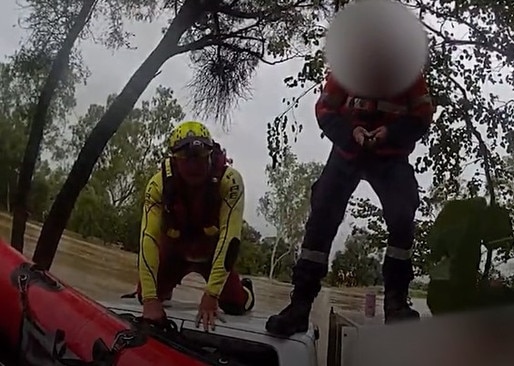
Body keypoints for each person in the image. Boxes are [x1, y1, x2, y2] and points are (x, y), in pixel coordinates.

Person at [265, 71, 435, 336]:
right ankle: (299, 306)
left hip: (391, 156)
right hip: (347, 152)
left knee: (403, 215)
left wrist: (388, 134)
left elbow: (422, 117)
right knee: (322, 216)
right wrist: (350, 133)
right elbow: (324, 109)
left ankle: (396, 305)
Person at [132, 120, 255, 331]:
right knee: (144, 295)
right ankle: (164, 289)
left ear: (210, 154)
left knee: (237, 305)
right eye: (185, 158)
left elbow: (230, 238)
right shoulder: (157, 184)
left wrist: (211, 294)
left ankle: (247, 290)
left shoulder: (230, 181)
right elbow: (148, 238)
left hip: (211, 254)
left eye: (200, 157)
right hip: (175, 253)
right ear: (174, 159)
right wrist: (151, 299)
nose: (193, 165)